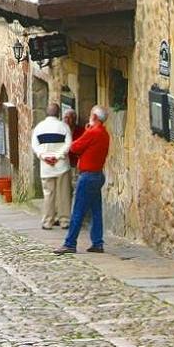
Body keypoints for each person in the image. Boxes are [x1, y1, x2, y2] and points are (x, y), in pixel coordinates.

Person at [54, 105, 111, 255]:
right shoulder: (104, 133)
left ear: (94, 117)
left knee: (78, 211)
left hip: (88, 176)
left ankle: (70, 243)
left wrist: (87, 131)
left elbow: (74, 147)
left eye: (91, 114)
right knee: (96, 210)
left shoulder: (93, 133)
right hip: (97, 175)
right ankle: (97, 242)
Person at [31, 104, 72, 230]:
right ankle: (64, 220)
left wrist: (44, 156)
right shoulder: (63, 127)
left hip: (46, 166)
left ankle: (48, 221)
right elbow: (68, 144)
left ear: (46, 113)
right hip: (61, 165)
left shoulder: (39, 128)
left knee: (48, 194)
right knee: (63, 194)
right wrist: (58, 156)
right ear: (58, 113)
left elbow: (35, 145)